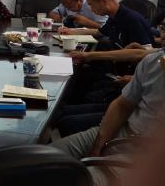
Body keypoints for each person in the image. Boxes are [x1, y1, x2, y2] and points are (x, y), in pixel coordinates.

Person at [51, 47, 165, 186]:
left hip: (148, 154)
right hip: (124, 131)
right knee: (42, 158)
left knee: (74, 180)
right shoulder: (153, 61)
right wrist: (98, 146)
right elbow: (122, 105)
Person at [59, 0, 154, 48]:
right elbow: (99, 32)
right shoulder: (114, 16)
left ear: (103, 2)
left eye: (91, 5)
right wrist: (71, 32)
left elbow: (145, 52)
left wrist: (89, 56)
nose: (91, 9)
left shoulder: (131, 19)